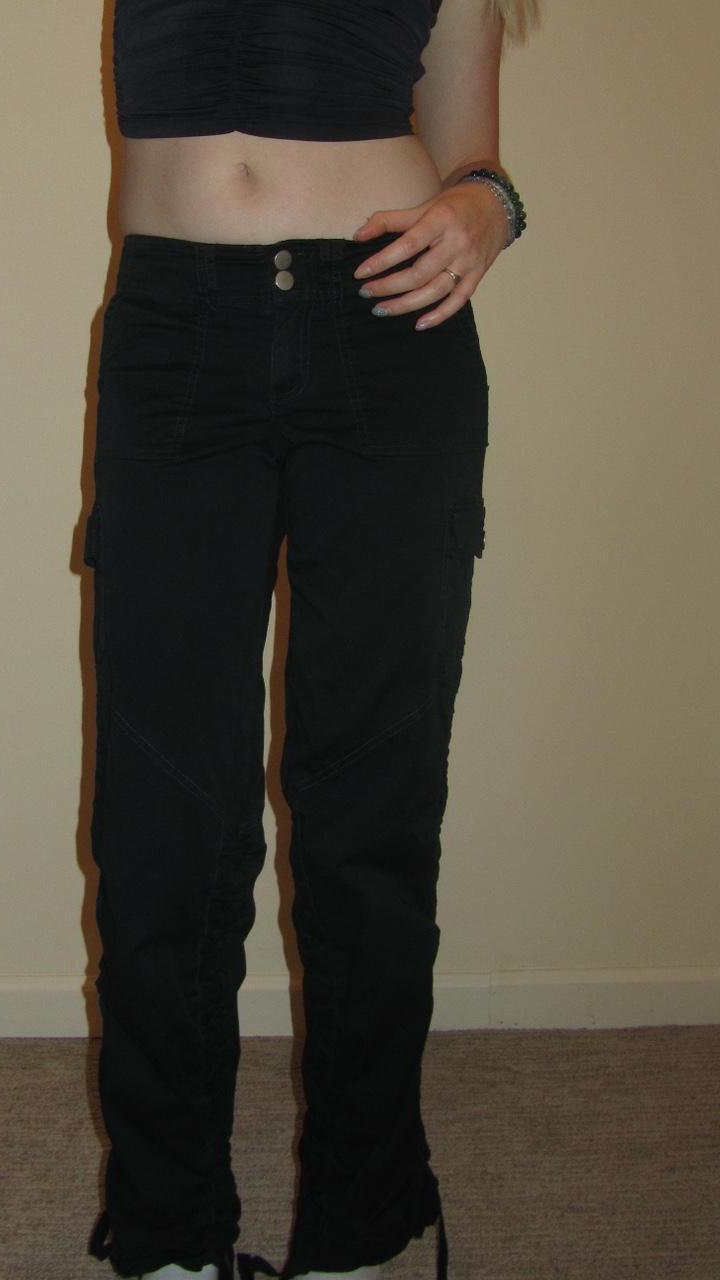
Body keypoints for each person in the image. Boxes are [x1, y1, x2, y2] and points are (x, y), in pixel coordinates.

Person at [84, 2, 541, 1278]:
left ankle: (362, 1225)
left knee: (370, 806)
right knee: (161, 815)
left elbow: (472, 157)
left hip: (388, 334)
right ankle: (169, 1235)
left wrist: (488, 208)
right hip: (174, 336)